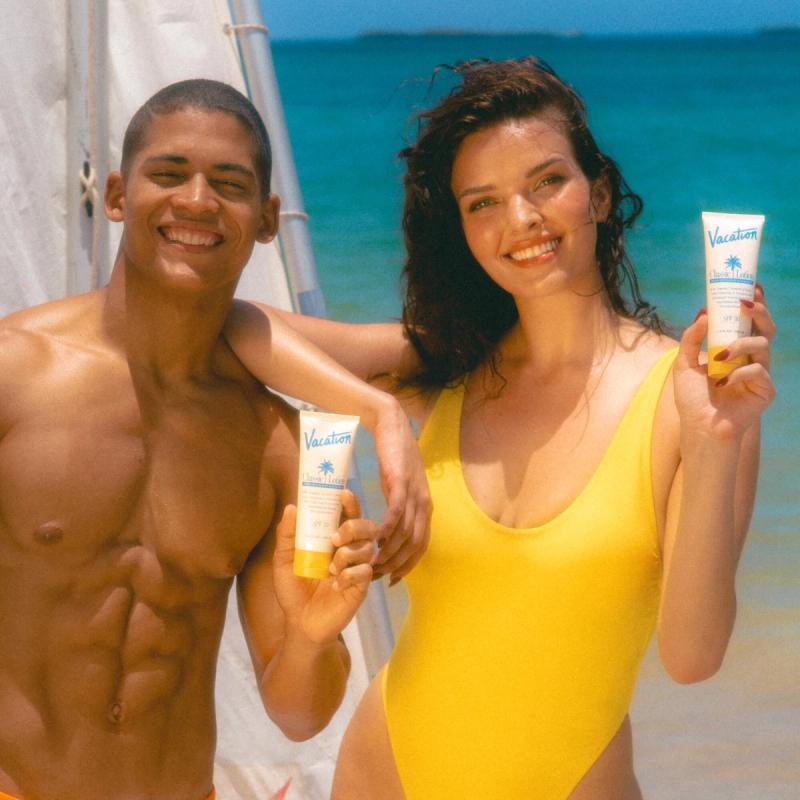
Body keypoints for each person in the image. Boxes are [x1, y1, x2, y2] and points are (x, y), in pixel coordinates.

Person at [224, 58, 776, 799]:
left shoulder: (693, 402)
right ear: (462, 229)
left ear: (600, 193)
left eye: (548, 182)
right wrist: (381, 410)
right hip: (383, 774)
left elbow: (691, 656)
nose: (521, 221)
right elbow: (234, 326)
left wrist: (714, 442)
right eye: (483, 202)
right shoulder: (445, 368)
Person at [0, 79, 431, 800]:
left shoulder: (276, 445)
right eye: (168, 174)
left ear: (267, 220)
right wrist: (379, 410)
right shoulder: (16, 378)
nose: (197, 200)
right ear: (115, 195)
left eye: (228, 185)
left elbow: (299, 713)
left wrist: (309, 635)